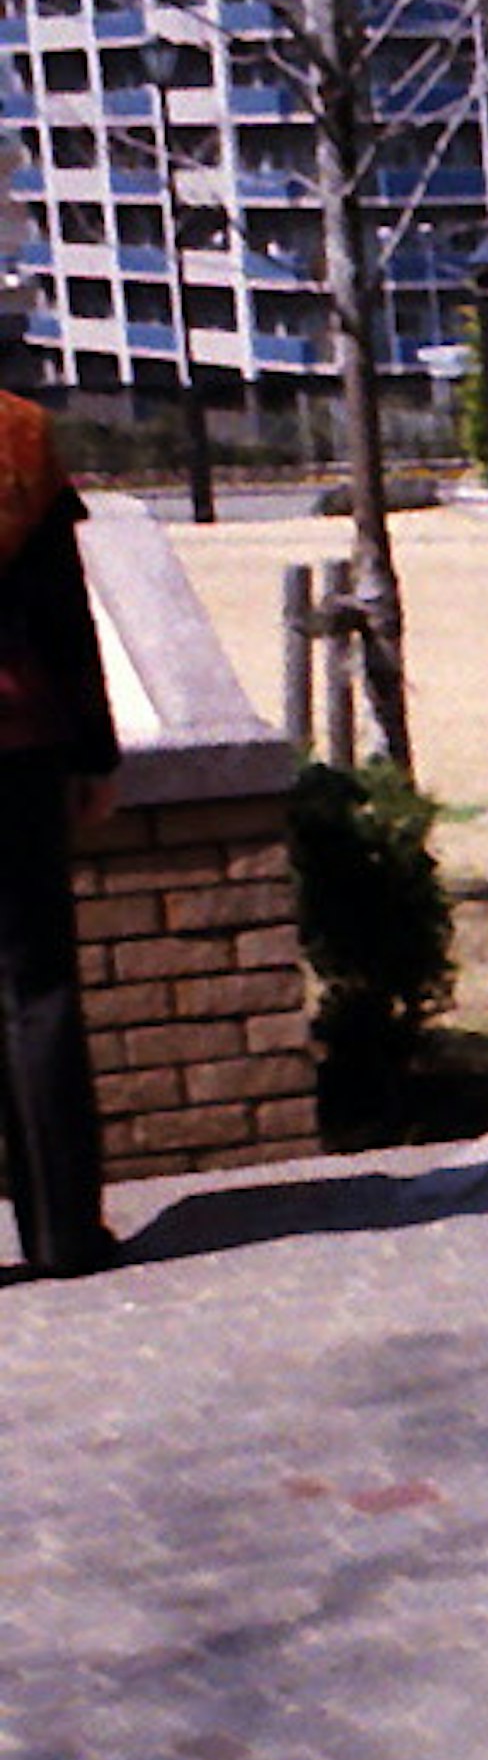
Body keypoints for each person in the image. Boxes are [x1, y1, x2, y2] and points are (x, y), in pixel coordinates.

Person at [0, 305, 120, 1280]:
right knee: (35, 987)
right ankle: (64, 1231)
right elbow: (60, 610)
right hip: (17, 742)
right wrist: (96, 751)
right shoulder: (20, 439)